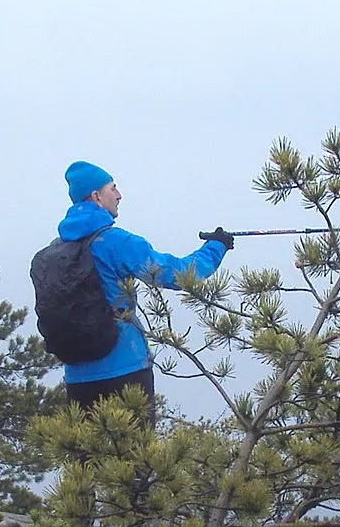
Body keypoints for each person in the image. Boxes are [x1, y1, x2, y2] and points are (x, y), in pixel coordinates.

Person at [55, 160, 231, 412]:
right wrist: (215, 247)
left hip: (76, 376)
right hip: (124, 368)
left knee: (87, 451)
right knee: (135, 451)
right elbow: (176, 274)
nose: (119, 195)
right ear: (96, 196)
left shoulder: (57, 248)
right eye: (112, 188)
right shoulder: (115, 241)